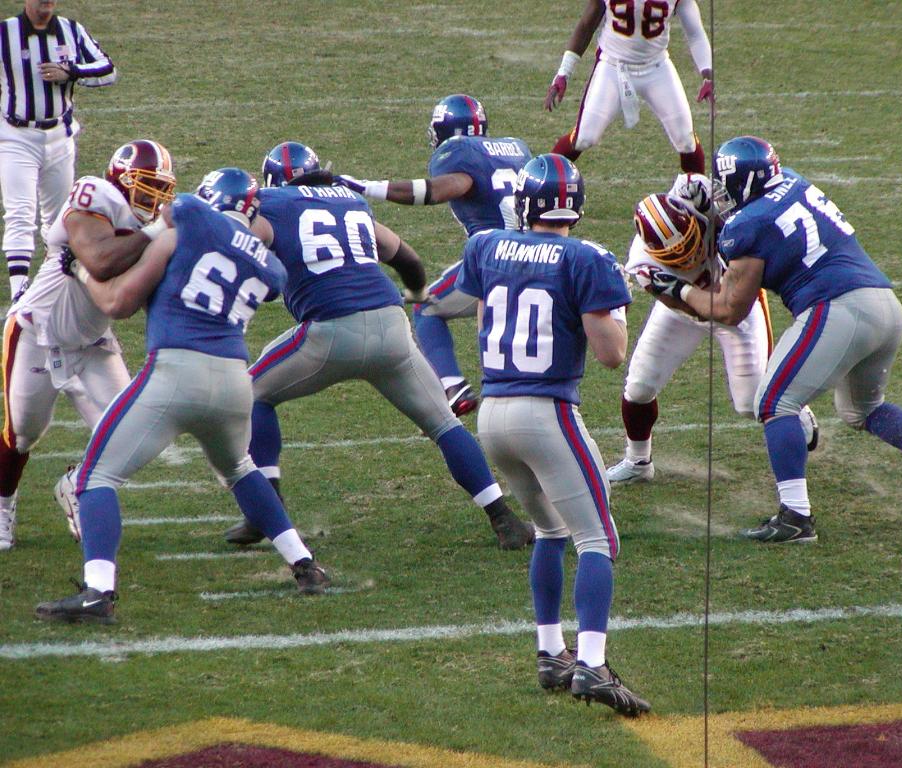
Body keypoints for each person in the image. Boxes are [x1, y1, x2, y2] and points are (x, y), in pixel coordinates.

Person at [35, 168, 330, 623]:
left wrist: (79, 270)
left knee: (95, 477)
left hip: (177, 369)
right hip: (233, 380)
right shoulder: (271, 267)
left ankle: (98, 593)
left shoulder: (189, 218)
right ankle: (305, 564)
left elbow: (119, 302)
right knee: (240, 468)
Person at [219, 142, 534, 551]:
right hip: (391, 327)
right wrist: (418, 294)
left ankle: (266, 510)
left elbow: (243, 247)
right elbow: (406, 257)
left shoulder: (270, 204)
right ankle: (504, 519)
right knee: (443, 423)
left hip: (330, 333)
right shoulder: (349, 201)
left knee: (251, 394)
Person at [673, 135, 902, 542]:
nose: (721, 195)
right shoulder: (792, 180)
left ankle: (796, 517)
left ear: (745, 183)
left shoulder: (747, 226)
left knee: (774, 402)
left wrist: (678, 289)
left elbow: (730, 309)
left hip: (838, 307)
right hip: (885, 306)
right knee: (862, 409)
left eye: (726, 186)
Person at [457, 153, 649, 716]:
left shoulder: (486, 245)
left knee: (550, 529)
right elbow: (612, 355)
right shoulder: (587, 257)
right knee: (599, 538)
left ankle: (550, 652)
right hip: (547, 414)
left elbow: (483, 322)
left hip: (493, 412)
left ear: (526, 204)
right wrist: (619, 310)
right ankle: (591, 663)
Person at [1, 139, 175, 551]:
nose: (153, 197)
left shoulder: (152, 228)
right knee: (22, 433)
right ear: (122, 180)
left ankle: (76, 482)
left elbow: (126, 302)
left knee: (135, 432)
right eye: (146, 184)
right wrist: (155, 233)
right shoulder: (95, 194)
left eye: (160, 188)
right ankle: (2, 505)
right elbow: (100, 261)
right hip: (38, 332)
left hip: (94, 342)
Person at [608, 175, 818, 484]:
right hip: (686, 311)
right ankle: (638, 460)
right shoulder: (644, 266)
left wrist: (724, 209)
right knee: (638, 388)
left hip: (740, 307)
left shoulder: (699, 198)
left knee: (750, 403)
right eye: (675, 259)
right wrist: (683, 290)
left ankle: (794, 405)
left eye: (690, 246)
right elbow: (696, 309)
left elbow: (745, 214)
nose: (690, 258)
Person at [335, 95, 532, 417]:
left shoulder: (461, 155)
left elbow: (439, 189)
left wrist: (366, 187)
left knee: (427, 307)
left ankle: (453, 387)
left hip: (496, 257)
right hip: (537, 251)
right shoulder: (516, 148)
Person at [0, 0, 116, 299]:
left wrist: (71, 71)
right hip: (16, 137)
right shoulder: (4, 34)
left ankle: (50, 288)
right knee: (20, 214)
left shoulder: (71, 30)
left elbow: (107, 69)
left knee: (59, 221)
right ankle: (18, 293)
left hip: (60, 137)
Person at [544, 0, 713, 174]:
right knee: (584, 138)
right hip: (613, 65)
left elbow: (695, 34)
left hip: (657, 66)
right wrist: (563, 73)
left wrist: (707, 76)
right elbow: (586, 25)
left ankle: (700, 189)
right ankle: (542, 179)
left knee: (686, 140)